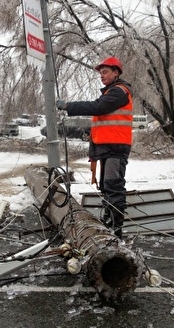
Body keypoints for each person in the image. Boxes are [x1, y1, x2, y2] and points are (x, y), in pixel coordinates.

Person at [56, 56, 133, 239]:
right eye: (100, 73)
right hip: (108, 147)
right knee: (107, 188)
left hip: (115, 147)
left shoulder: (119, 92)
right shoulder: (111, 92)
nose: (102, 75)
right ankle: (109, 224)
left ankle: (115, 230)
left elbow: (98, 107)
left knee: (112, 186)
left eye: (105, 72)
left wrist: (69, 106)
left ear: (116, 73)